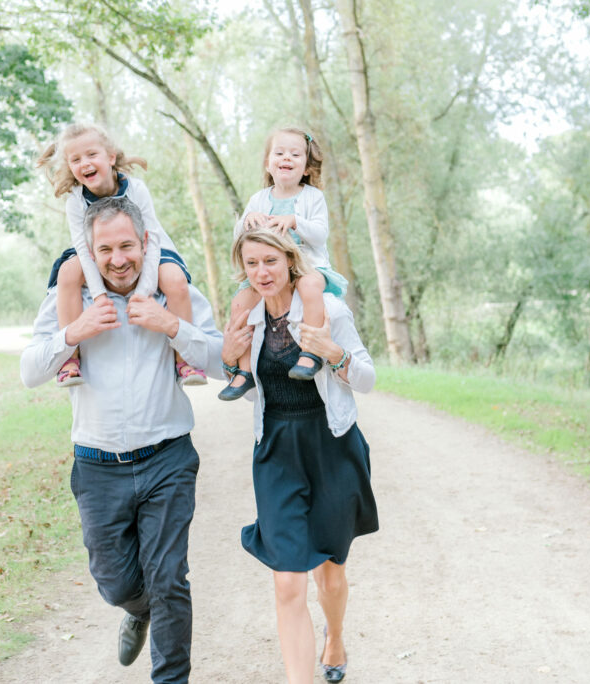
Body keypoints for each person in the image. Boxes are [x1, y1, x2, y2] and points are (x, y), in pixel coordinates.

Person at [21, 196, 224, 683]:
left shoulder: (172, 291)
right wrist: (74, 332)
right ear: (90, 252)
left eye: (127, 246)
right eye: (105, 249)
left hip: (168, 458)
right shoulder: (70, 298)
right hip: (96, 464)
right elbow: (30, 371)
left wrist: (172, 325)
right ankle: (138, 608)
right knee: (115, 585)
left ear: (145, 242)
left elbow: (223, 361)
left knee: (168, 579)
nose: (118, 259)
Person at [220, 228, 377, 683]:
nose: (261, 272)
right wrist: (231, 362)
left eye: (269, 261)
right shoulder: (247, 317)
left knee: (329, 576)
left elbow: (366, 379)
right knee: (288, 581)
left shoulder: (328, 309)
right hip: (276, 451)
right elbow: (253, 393)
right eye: (251, 263)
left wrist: (334, 353)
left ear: (290, 262)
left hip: (331, 448)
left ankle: (336, 637)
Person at [37, 123, 207, 387]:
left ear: (111, 157)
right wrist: (99, 297)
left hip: (146, 245)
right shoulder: (76, 200)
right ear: (70, 166)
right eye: (76, 159)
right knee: (68, 272)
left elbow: (152, 239)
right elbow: (84, 249)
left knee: (174, 279)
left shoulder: (136, 189)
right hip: (96, 249)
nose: (85, 164)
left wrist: (144, 291)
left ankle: (184, 360)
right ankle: (70, 360)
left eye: (92, 155)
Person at [218, 126, 348, 401]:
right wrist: (246, 221)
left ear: (306, 167)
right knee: (240, 302)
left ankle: (310, 352)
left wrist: (295, 222)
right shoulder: (259, 199)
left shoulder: (312, 197)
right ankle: (244, 371)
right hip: (270, 271)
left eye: (295, 154)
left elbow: (321, 234)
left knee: (310, 286)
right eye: (279, 153)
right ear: (268, 163)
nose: (286, 158)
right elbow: (239, 235)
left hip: (308, 266)